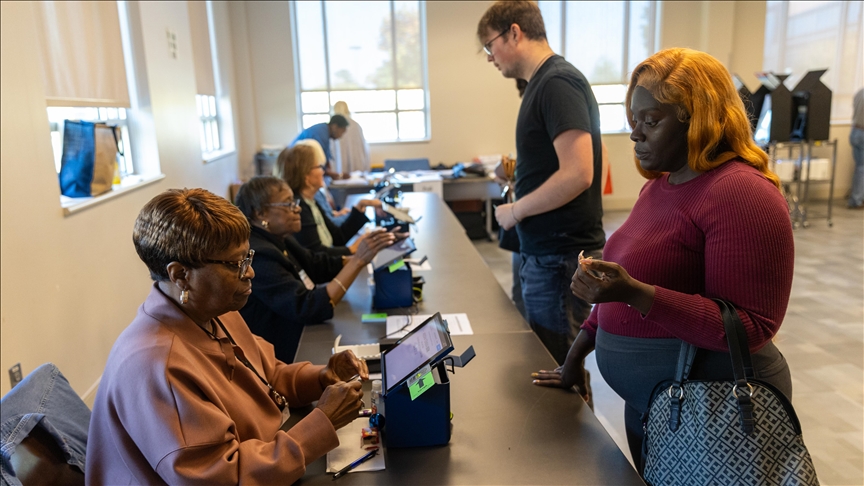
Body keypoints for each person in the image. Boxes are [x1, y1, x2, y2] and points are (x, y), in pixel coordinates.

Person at [531, 48, 796, 470]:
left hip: (712, 414)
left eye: (651, 122)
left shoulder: (741, 193)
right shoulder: (659, 186)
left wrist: (636, 293)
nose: (636, 135)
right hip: (655, 407)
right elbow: (617, 295)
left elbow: (751, 327)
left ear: (701, 119)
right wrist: (574, 358)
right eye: (634, 122)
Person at [86, 188, 369, 485]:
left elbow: (268, 376)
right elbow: (220, 478)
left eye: (248, 257)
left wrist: (322, 377)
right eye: (235, 265)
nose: (250, 274)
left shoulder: (214, 308)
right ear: (181, 275)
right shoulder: (156, 365)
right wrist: (322, 423)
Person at [478, 1, 606, 366]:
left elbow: (578, 173)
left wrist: (516, 210)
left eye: (491, 45)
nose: (491, 57)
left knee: (560, 368)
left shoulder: (556, 82)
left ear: (514, 32)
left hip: (559, 257)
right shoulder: (542, 84)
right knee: (549, 365)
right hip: (547, 253)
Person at [235, 176, 397, 363]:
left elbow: (316, 265)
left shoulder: (278, 238)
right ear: (260, 213)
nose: (298, 208)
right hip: (281, 357)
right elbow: (306, 306)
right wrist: (358, 261)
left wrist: (364, 254)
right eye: (288, 204)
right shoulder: (259, 255)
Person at [275, 144, 382, 256]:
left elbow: (337, 237)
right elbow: (317, 253)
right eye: (319, 166)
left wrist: (360, 207)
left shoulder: (311, 202)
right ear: (305, 175)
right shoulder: (300, 207)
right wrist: (352, 249)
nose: (323, 171)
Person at [292, 115, 349, 180]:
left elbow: (325, 160)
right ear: (335, 126)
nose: (341, 136)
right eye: (342, 132)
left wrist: (332, 173)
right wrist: (338, 175)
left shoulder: (324, 130)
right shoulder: (321, 134)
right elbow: (319, 164)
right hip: (294, 164)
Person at [333, 101, 371, 173]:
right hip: (357, 168)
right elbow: (363, 148)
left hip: (340, 170)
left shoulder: (334, 126)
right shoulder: (355, 125)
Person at [848, 87, 864, 209]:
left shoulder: (860, 92)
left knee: (859, 167)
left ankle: (856, 196)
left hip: (855, 131)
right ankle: (857, 199)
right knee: (862, 168)